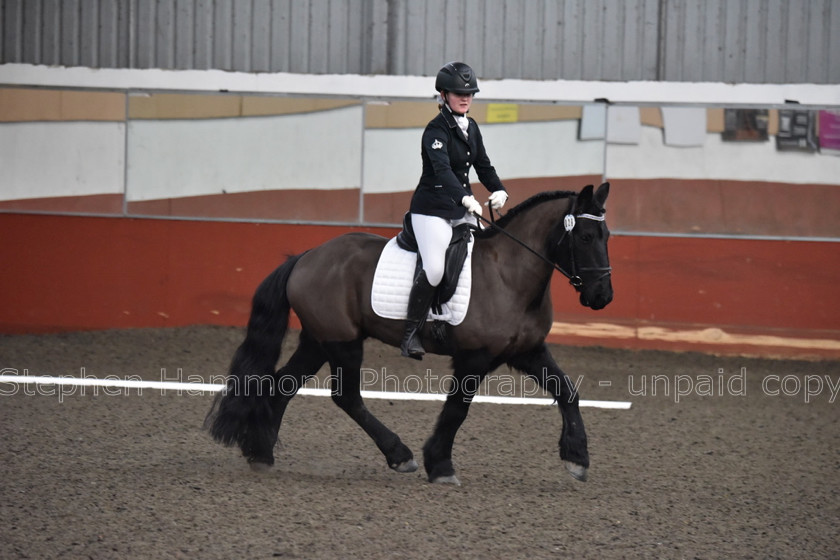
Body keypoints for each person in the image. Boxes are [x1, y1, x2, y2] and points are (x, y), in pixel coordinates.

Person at [400, 61, 509, 359]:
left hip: (462, 207)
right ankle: (411, 333)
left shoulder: (471, 127)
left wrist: (498, 188)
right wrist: (465, 198)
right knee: (434, 267)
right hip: (431, 210)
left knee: (488, 256)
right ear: (444, 95)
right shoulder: (435, 131)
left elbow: (483, 164)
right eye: (459, 93)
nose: (465, 98)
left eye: (470, 93)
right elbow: (443, 170)